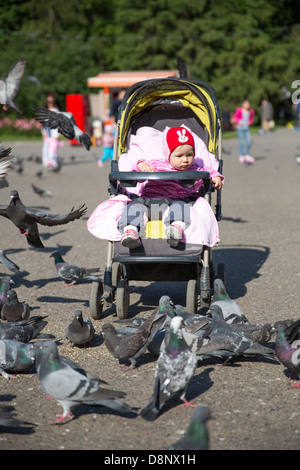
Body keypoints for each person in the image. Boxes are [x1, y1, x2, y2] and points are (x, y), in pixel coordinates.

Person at [87, 125, 224, 249]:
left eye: (190, 155)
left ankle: (175, 229)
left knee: (181, 208)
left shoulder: (197, 167)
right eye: (179, 155)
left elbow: (211, 171)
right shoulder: (157, 164)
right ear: (168, 154)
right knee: (133, 207)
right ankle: (130, 230)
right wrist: (140, 165)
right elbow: (136, 166)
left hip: (176, 201)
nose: (185, 159)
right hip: (148, 201)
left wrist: (216, 177)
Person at [41, 93, 62, 169]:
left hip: (54, 131)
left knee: (54, 146)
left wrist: (59, 132)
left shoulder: (56, 110)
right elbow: (43, 122)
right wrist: (43, 131)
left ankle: (54, 160)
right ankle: (46, 161)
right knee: (46, 146)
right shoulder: (45, 109)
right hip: (46, 130)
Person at [233, 99, 255, 164]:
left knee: (249, 141)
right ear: (242, 104)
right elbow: (235, 117)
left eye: (248, 104)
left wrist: (250, 122)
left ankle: (247, 154)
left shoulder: (251, 111)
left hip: (246, 128)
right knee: (241, 142)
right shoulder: (239, 110)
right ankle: (241, 155)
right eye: (245, 104)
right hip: (240, 128)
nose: (247, 105)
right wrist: (238, 122)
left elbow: (251, 119)